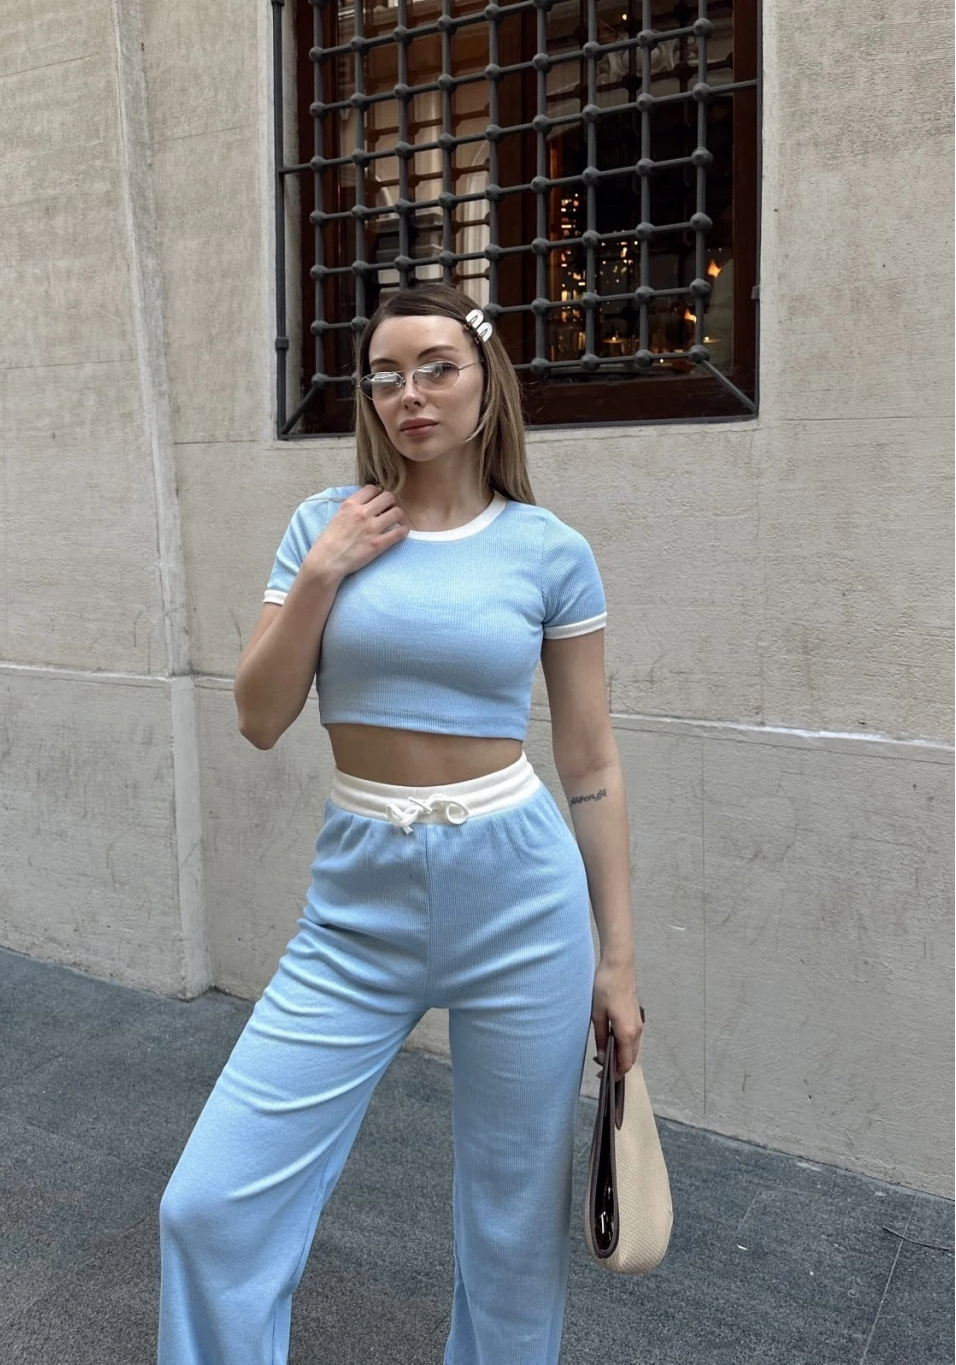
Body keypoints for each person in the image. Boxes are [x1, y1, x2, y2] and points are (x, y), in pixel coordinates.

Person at [157, 282, 643, 1364]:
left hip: (520, 896)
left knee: (513, 1237)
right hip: (360, 898)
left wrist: (617, 960)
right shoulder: (323, 525)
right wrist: (325, 570)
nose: (409, 394)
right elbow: (258, 717)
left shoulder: (548, 550)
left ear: (485, 383)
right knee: (208, 1207)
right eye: (385, 375)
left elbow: (590, 762)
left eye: (435, 368)